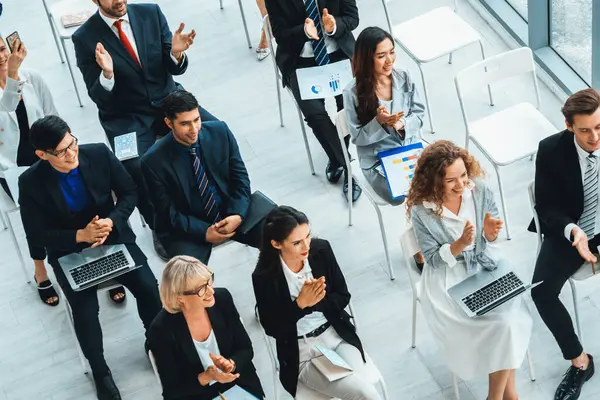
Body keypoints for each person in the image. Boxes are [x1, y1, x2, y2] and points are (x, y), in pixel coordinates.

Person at [18, 115, 162, 400]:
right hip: (70, 250)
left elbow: (129, 191)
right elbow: (36, 235)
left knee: (149, 288)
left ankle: (157, 342)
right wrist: (79, 237)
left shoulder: (96, 153)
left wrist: (113, 220)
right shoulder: (30, 182)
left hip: (113, 237)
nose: (72, 153)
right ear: (41, 155)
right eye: (61, 151)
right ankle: (100, 371)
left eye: (72, 144)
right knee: (85, 313)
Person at [72, 0, 218, 259]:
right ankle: (161, 229)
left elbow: (173, 67)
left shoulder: (150, 12)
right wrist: (107, 75)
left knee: (215, 133)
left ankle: (213, 202)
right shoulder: (84, 37)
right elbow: (98, 97)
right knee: (134, 167)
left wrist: (176, 54)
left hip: (167, 99)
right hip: (125, 115)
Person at [407, 140, 532, 400]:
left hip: (486, 264)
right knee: (500, 326)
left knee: (509, 320)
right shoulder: (422, 211)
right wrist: (459, 244)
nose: (461, 184)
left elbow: (491, 234)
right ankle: (507, 395)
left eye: (463, 175)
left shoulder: (481, 189)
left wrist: (488, 234)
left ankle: (498, 396)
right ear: (434, 180)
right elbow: (431, 260)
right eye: (451, 180)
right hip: (448, 278)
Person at [253, 206, 382, 399]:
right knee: (364, 393)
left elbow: (343, 295)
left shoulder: (321, 250)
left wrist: (314, 302)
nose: (306, 246)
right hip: (303, 349)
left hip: (336, 334)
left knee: (364, 388)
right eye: (297, 242)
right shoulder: (264, 277)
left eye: (308, 236)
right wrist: (299, 305)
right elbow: (272, 328)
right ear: (276, 244)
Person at [530, 88, 600, 400]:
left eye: (599, 127)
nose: (594, 137)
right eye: (585, 130)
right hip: (575, 230)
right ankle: (580, 362)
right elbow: (546, 207)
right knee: (542, 291)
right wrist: (573, 231)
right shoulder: (551, 150)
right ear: (569, 125)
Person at [141, 90, 267, 264]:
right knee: (189, 278)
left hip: (231, 210)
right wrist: (204, 231)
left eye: (197, 120)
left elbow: (241, 180)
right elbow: (168, 214)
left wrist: (237, 214)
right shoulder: (152, 162)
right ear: (169, 123)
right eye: (185, 124)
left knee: (282, 233)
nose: (194, 130)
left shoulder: (220, 131)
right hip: (188, 228)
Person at [265, 0, 362, 201]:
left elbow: (352, 18)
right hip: (300, 60)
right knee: (315, 114)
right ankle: (345, 164)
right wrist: (303, 31)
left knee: (348, 105)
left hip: (339, 54)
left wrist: (334, 25)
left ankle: (337, 158)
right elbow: (280, 34)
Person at [147, 255, 265, 400]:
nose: (211, 291)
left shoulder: (223, 299)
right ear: (179, 297)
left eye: (209, 281)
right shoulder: (161, 330)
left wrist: (231, 364)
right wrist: (206, 377)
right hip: (197, 394)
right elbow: (172, 391)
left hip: (239, 385)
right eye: (201, 289)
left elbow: (246, 349)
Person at [0, 35, 62, 306]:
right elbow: (6, 106)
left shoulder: (32, 77)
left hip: (47, 155)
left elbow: (54, 116)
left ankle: (88, 254)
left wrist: (65, 151)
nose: (1, 56)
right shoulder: (16, 78)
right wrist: (12, 74)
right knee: (35, 212)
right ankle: (40, 267)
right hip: (11, 168)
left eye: (2, 48)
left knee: (76, 196)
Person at [343, 26, 425, 205]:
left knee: (442, 179)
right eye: (381, 56)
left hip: (410, 146)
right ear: (367, 59)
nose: (389, 61)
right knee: (407, 195)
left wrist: (401, 124)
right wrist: (379, 122)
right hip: (377, 160)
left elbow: (419, 114)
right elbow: (357, 138)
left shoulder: (403, 76)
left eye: (392, 52)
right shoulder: (352, 92)